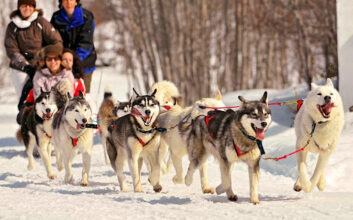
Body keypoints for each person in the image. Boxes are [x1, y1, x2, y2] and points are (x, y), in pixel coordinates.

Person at [4, 0, 63, 110]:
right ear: (19, 7)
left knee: (43, 95)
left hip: (41, 65)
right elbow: (12, 50)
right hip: (20, 68)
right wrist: (25, 66)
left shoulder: (41, 22)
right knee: (24, 96)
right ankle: (24, 118)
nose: (27, 8)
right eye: (24, 5)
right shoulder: (12, 27)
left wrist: (46, 58)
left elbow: (57, 41)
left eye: (30, 6)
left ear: (34, 7)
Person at [51, 0, 97, 93]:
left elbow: (86, 43)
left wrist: (74, 60)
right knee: (63, 97)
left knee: (83, 98)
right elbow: (54, 40)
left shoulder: (86, 17)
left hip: (84, 64)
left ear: (76, 2)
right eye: (65, 0)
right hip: (62, 66)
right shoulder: (56, 18)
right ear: (61, 2)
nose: (68, 2)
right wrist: (62, 59)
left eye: (71, 0)